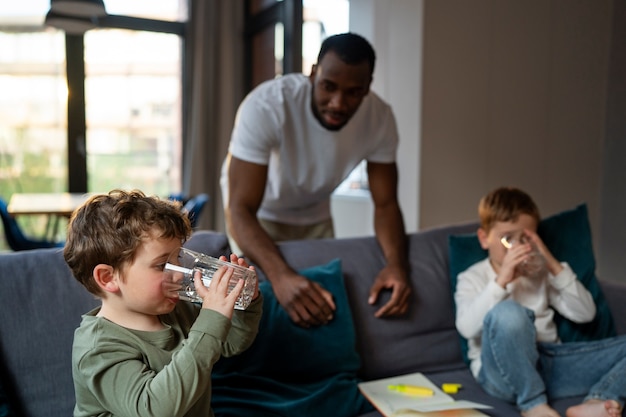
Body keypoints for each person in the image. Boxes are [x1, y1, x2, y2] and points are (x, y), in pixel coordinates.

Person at [220, 32, 410, 328]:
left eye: (353, 92)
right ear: (312, 74)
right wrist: (281, 276)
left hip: (316, 210)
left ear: (367, 88)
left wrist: (397, 266)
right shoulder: (267, 105)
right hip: (258, 212)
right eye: (328, 86)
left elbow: (386, 205)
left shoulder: (380, 118)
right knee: (265, 300)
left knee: (323, 299)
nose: (338, 103)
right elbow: (240, 208)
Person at [64, 189, 262, 417]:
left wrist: (244, 303)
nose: (179, 273)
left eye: (178, 258)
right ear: (108, 278)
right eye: (161, 265)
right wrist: (210, 320)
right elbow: (153, 409)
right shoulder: (98, 347)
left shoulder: (177, 309)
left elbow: (231, 342)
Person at [454, 186, 625, 417]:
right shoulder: (472, 277)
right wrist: (501, 281)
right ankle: (532, 403)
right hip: (500, 371)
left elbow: (586, 313)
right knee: (509, 313)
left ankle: (598, 401)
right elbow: (466, 327)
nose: (517, 246)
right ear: (484, 239)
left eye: (525, 238)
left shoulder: (538, 273)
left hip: (550, 365)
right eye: (507, 239)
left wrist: (550, 263)